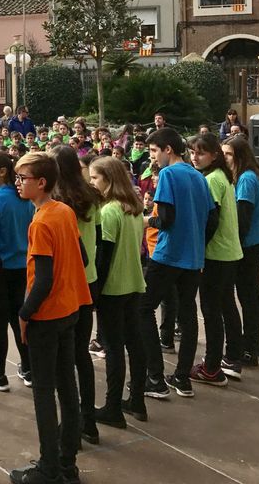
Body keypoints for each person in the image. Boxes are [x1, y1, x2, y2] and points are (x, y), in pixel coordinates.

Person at [7, 151, 91, 484]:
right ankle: (66, 463)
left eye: (22, 178)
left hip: (47, 315)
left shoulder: (41, 221)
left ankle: (48, 468)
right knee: (67, 388)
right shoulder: (64, 212)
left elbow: (41, 279)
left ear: (41, 183)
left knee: (44, 393)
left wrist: (25, 314)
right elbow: (81, 257)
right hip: (70, 310)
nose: (17, 183)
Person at [140, 128, 216, 400]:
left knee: (143, 308)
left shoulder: (169, 175)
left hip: (169, 254)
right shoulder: (198, 176)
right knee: (187, 314)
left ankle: (155, 377)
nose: (153, 158)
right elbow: (212, 218)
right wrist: (197, 242)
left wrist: (148, 220)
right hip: (193, 257)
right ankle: (182, 378)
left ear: (167, 149)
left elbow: (167, 218)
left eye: (154, 151)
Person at [88, 157, 147, 428]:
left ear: (108, 181)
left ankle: (113, 406)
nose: (91, 183)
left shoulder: (110, 211)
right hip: (134, 284)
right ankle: (137, 399)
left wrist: (95, 292)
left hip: (113, 287)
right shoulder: (133, 207)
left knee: (113, 347)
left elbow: (105, 256)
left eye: (94, 178)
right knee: (134, 343)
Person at [49, 144, 102, 445]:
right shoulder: (91, 197)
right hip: (89, 279)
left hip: (66, 282)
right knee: (81, 353)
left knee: (63, 357)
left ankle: (69, 425)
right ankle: (88, 421)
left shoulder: (57, 202)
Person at [189, 134, 244, 386]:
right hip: (230, 252)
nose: (195, 157)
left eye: (200, 153)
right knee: (226, 305)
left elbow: (210, 221)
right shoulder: (223, 177)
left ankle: (211, 367)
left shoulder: (211, 180)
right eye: (192, 152)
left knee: (212, 310)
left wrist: (198, 252)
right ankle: (232, 357)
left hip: (216, 254)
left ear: (214, 155)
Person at [0, 151, 34, 391]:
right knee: (19, 318)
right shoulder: (27, 197)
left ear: (2, 171)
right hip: (24, 268)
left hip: (0, 269)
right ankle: (29, 368)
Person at [224, 135, 259, 366]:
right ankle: (255, 341)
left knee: (248, 294)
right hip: (256, 239)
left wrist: (236, 245)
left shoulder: (246, 179)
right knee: (252, 292)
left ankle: (250, 345)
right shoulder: (249, 176)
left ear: (239, 156)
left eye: (228, 154)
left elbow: (243, 216)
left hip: (250, 242)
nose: (224, 158)